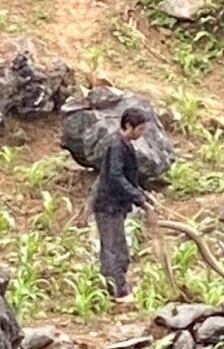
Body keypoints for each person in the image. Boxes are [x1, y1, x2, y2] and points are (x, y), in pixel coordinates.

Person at [92, 107, 153, 302]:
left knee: (120, 248)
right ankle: (115, 291)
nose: (142, 134)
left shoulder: (125, 144)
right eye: (140, 129)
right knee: (112, 249)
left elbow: (127, 177)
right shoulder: (117, 146)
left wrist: (143, 195)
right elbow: (116, 177)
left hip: (116, 206)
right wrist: (139, 199)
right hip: (108, 205)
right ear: (129, 126)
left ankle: (118, 286)